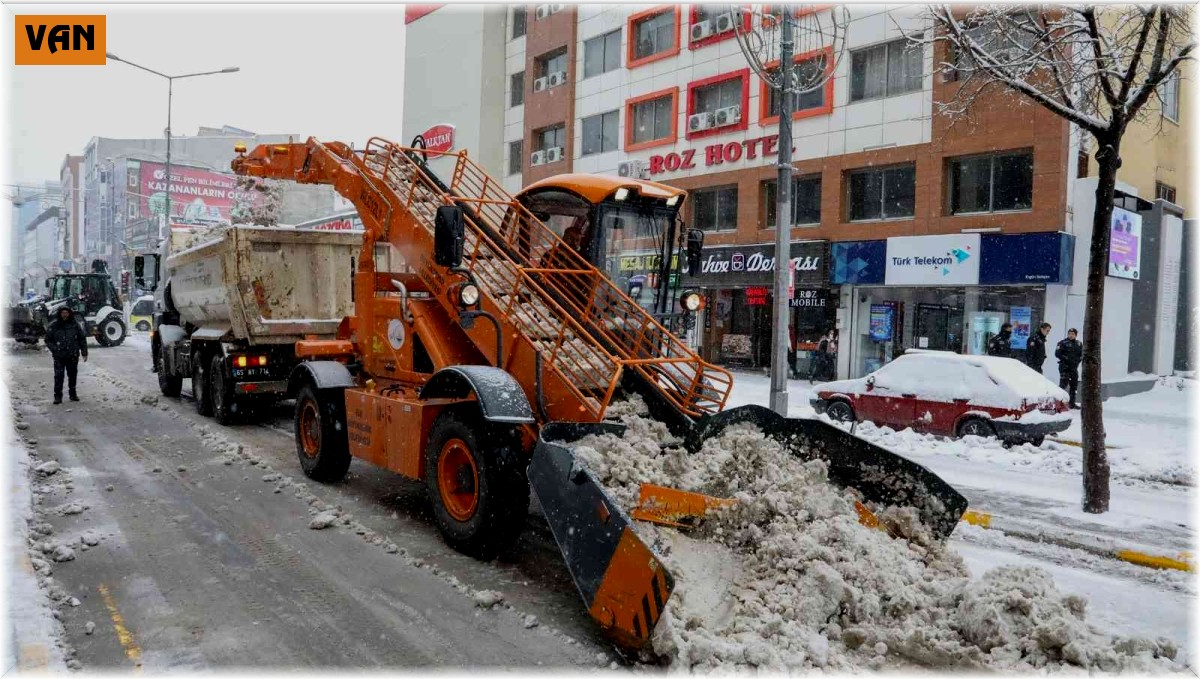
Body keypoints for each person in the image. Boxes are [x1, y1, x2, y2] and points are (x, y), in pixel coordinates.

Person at [44, 307, 88, 404]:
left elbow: (82, 339)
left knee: (72, 376)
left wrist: (84, 352)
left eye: (66, 312)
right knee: (59, 376)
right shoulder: (54, 325)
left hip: (72, 355)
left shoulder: (74, 325)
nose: (64, 314)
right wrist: (55, 349)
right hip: (59, 356)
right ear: (59, 314)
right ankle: (58, 396)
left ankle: (73, 394)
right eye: (62, 313)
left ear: (69, 314)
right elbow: (48, 339)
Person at [1055, 328, 1083, 408]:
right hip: (1065, 367)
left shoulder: (1079, 344)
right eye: (1069, 333)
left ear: (1075, 335)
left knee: (1074, 386)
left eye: (1073, 334)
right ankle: (1058, 403)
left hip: (1074, 368)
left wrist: (1077, 361)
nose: (1071, 335)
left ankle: (1072, 403)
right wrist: (1066, 359)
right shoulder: (1062, 343)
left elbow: (1081, 354)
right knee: (1063, 385)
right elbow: (1057, 354)